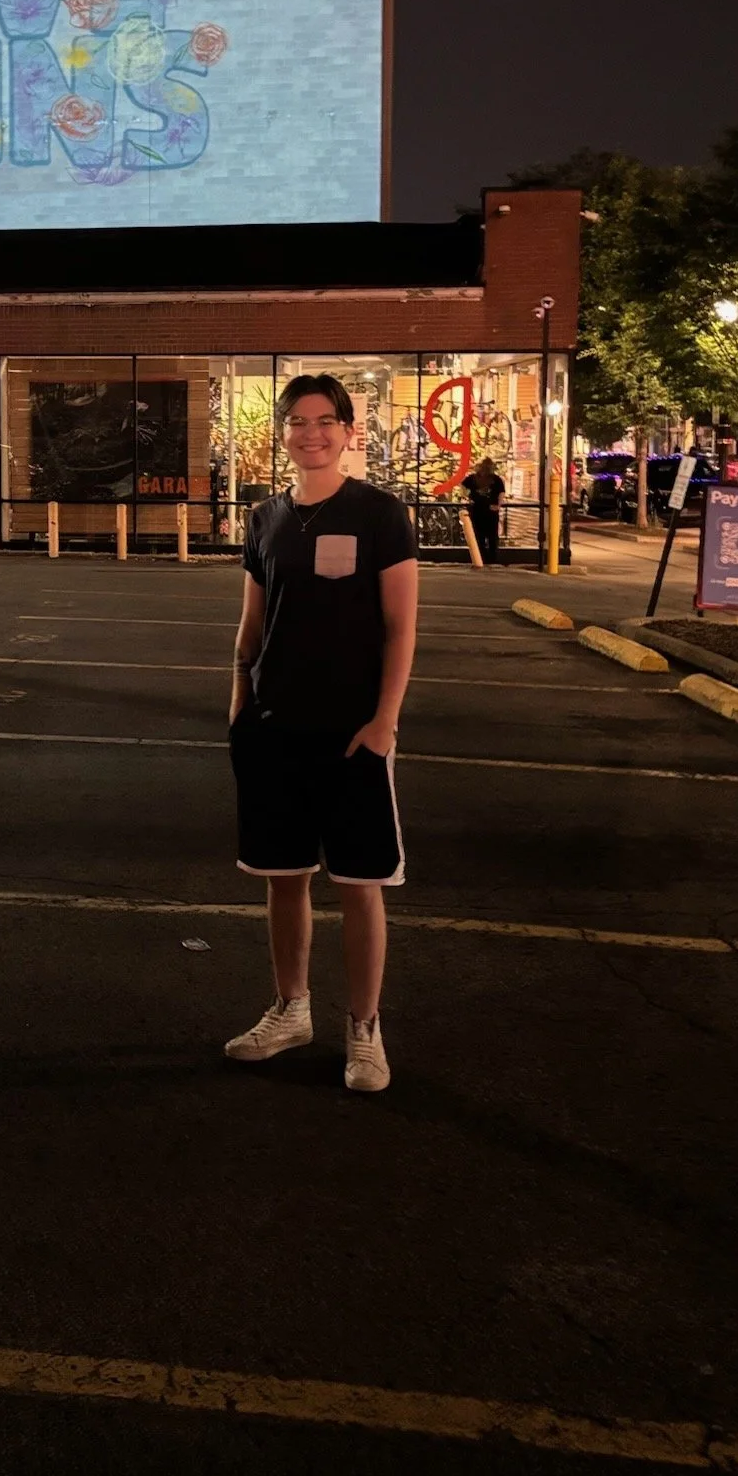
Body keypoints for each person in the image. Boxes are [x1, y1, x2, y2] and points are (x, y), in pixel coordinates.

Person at [224, 373, 418, 1093]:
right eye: (299, 422)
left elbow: (401, 627)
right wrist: (237, 705)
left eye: (326, 421)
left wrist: (384, 721)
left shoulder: (380, 514)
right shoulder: (265, 519)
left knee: (361, 884)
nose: (312, 433)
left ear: (347, 431)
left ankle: (364, 1030)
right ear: (283, 432)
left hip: (352, 733)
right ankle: (291, 1010)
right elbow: (250, 623)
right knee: (284, 878)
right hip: (274, 729)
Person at [461, 456, 504, 563]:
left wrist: (467, 497)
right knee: (489, 537)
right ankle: (488, 560)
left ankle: (484, 559)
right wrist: (498, 505)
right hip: (484, 511)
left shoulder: (478, 478)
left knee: (484, 537)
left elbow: (501, 493)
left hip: (482, 511)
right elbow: (501, 493)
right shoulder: (494, 479)